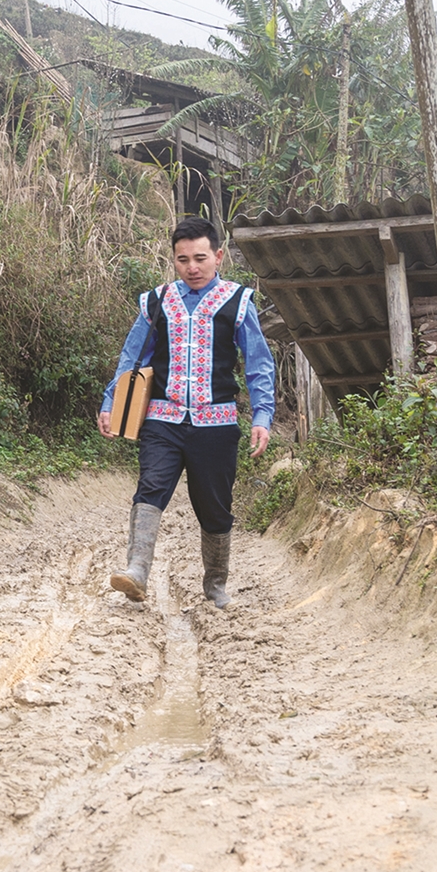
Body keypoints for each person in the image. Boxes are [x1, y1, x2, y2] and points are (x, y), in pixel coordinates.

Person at [97, 217, 274, 609]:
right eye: (182, 260)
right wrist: (111, 402)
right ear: (173, 260)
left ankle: (215, 585)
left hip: (217, 424)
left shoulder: (238, 301)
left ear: (217, 256)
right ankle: (137, 570)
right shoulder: (156, 302)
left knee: (214, 506)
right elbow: (132, 357)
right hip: (162, 419)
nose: (192, 268)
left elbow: (259, 363)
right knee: (151, 487)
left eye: (199, 258)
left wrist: (262, 416)